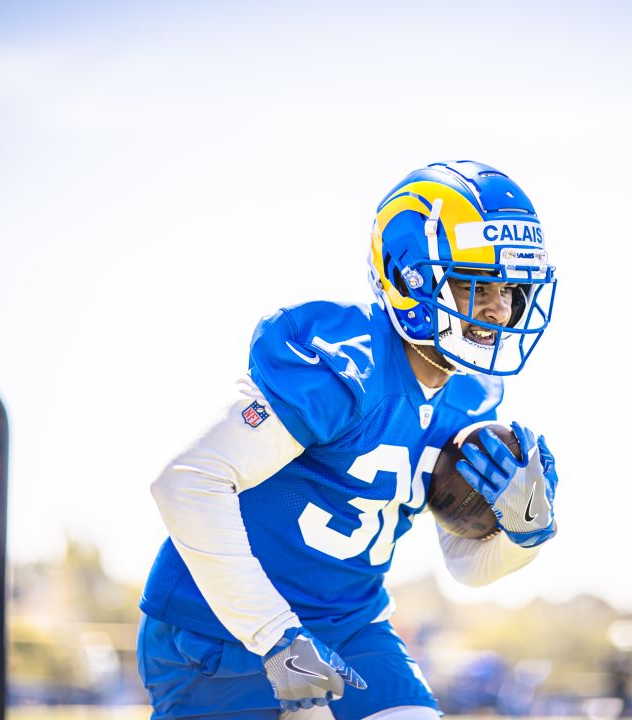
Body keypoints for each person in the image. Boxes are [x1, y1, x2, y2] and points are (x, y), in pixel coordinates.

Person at [137, 160, 562, 719]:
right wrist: (274, 636)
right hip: (219, 627)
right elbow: (186, 483)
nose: (497, 307)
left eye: (510, 288)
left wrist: (521, 536)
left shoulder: (473, 396)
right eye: (475, 282)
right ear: (411, 276)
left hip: (351, 624)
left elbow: (464, 564)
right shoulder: (348, 361)